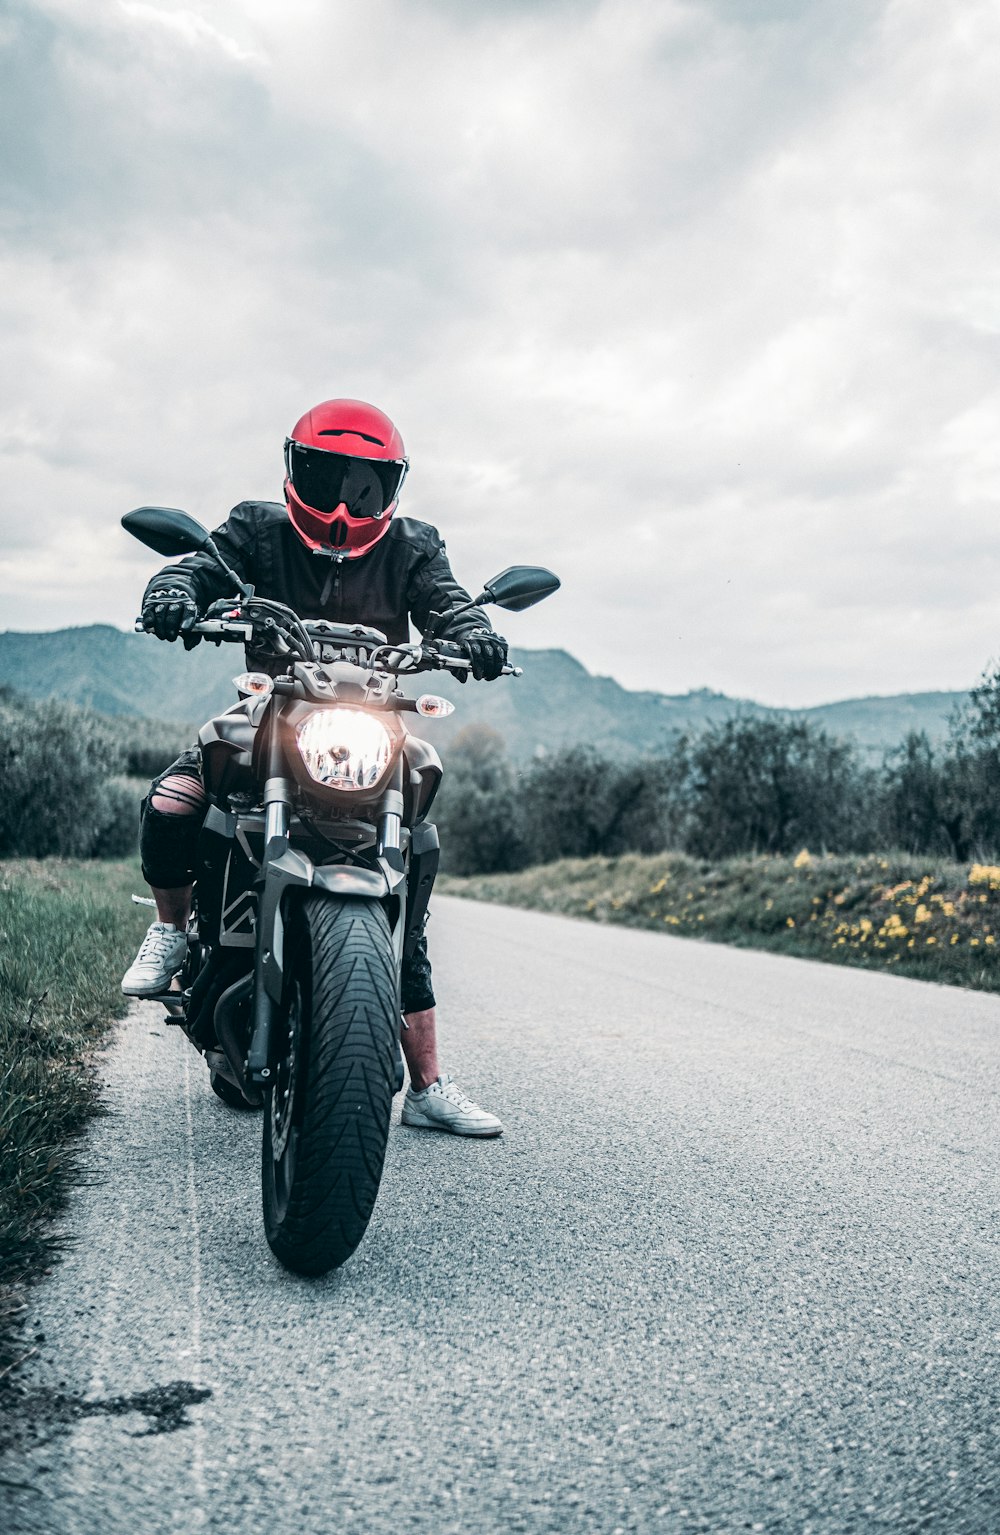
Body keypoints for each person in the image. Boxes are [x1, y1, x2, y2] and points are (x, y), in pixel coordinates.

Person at [122, 398, 508, 1137]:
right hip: (271, 711)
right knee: (174, 799)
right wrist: (173, 591)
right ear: (297, 469)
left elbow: (451, 607)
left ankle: (425, 1084)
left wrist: (475, 635)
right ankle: (173, 931)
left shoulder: (415, 548)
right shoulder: (257, 529)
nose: (342, 500)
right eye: (329, 476)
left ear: (388, 489)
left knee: (414, 851)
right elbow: (203, 566)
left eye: (361, 485)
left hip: (371, 720)